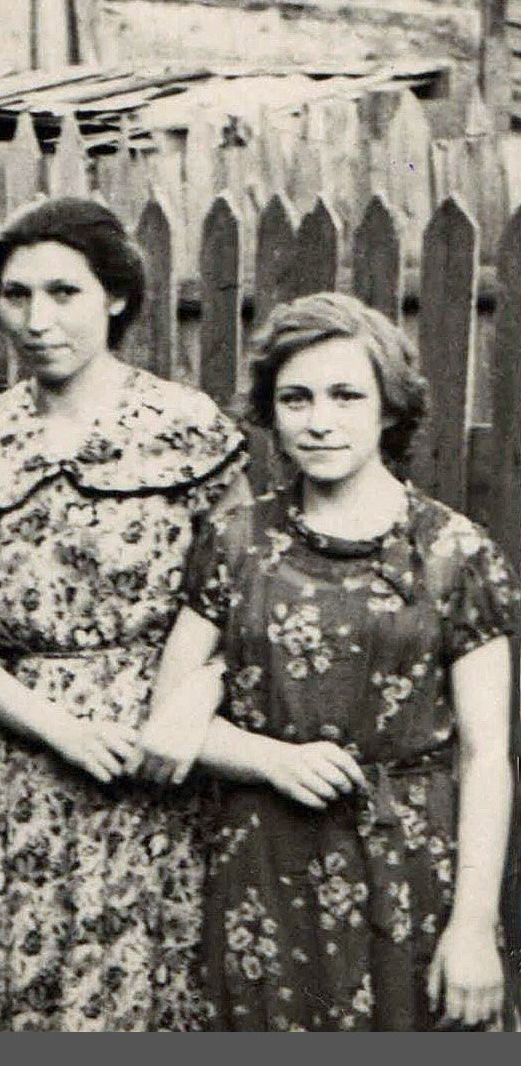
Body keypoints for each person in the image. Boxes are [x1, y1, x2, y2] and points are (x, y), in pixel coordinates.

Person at [0, 196, 245, 1030]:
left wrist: (187, 707)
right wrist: (63, 731)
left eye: (64, 293)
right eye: (17, 295)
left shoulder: (187, 428)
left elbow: (245, 605)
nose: (37, 320)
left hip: (157, 761)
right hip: (26, 770)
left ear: (117, 297)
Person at [139, 292, 514, 1030]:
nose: (319, 420)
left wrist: (474, 923)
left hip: (411, 869)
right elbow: (167, 722)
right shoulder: (235, 542)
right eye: (296, 398)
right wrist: (270, 759)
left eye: (346, 396)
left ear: (388, 408)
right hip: (262, 869)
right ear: (271, 412)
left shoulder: (454, 553)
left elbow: (486, 754)